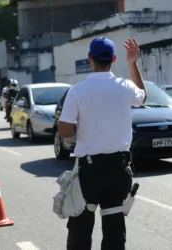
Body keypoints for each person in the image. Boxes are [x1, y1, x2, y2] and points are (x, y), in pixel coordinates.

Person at [58, 37, 147, 250]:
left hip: (90, 170)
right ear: (114, 59)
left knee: (80, 227)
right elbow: (142, 97)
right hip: (119, 167)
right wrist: (133, 64)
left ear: (90, 58)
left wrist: (83, 128)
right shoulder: (125, 86)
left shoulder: (77, 91)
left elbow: (64, 130)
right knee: (115, 228)